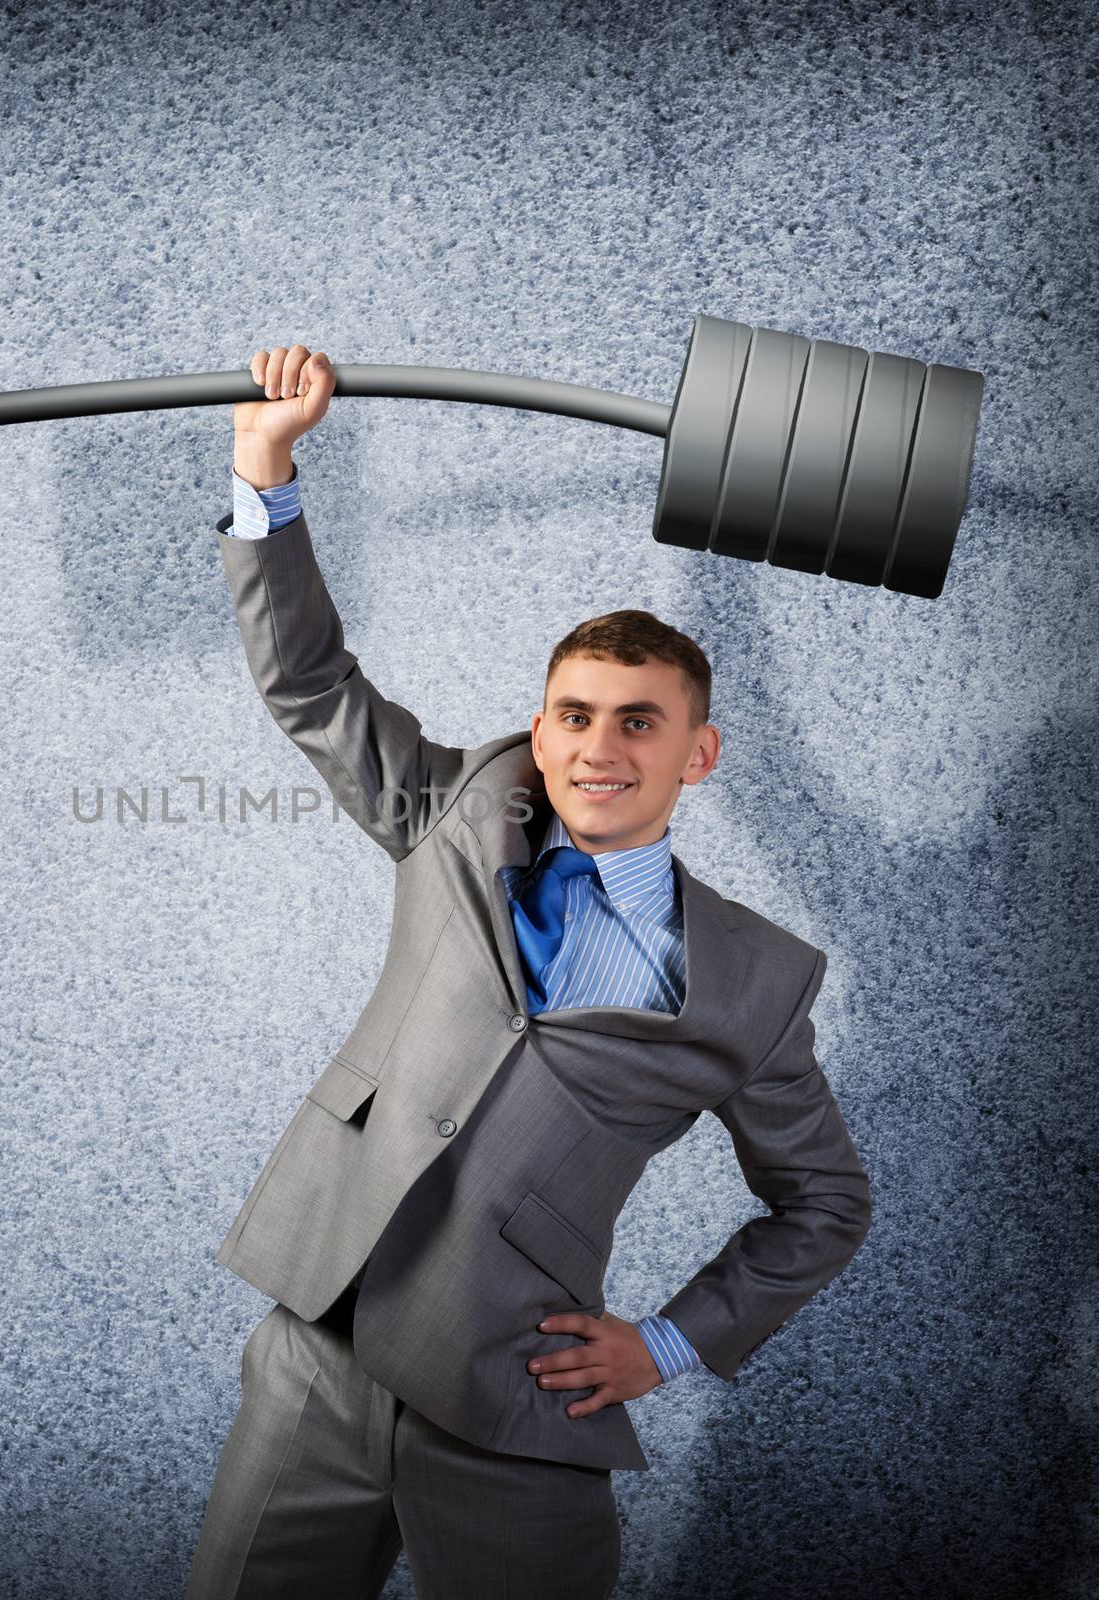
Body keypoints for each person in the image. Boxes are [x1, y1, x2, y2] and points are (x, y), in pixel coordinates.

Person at [185, 343, 872, 1599]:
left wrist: (666, 1343)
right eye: (572, 713)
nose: (596, 746)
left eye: (637, 721)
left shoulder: (754, 982)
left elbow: (824, 1204)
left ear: (697, 754)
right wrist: (267, 465)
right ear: (540, 726)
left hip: (511, 1398)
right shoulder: (453, 811)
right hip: (318, 1354)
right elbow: (307, 681)